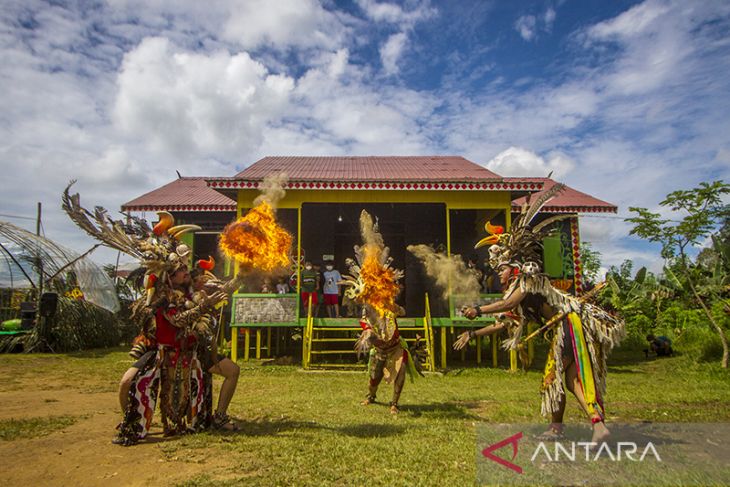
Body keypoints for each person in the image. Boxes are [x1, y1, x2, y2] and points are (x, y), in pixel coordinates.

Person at [454, 185, 625, 444]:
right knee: (566, 379)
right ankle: (591, 425)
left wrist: (477, 309)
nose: (498, 274)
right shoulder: (517, 288)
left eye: (501, 269)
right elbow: (504, 324)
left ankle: (581, 426)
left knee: (555, 377)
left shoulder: (528, 277)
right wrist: (472, 332)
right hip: (566, 327)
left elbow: (505, 303)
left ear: (513, 267)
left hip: (570, 323)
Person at [342, 211, 420, 414]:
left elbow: (401, 311)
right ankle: (371, 396)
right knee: (374, 377)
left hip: (395, 347)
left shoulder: (390, 303)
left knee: (400, 372)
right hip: (379, 349)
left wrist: (396, 308)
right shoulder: (368, 310)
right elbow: (365, 324)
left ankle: (395, 403)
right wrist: (368, 334)